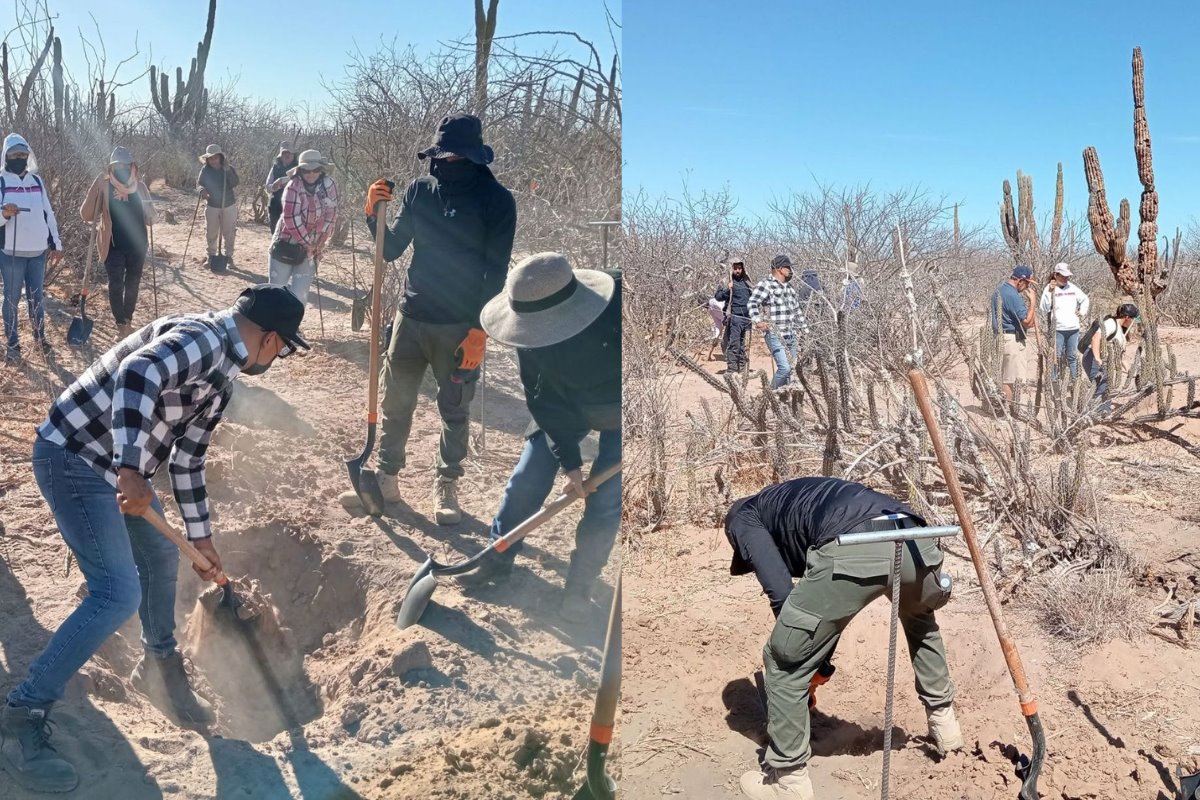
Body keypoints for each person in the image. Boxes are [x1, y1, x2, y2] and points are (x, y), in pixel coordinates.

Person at [0, 285, 309, 794]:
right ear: (271, 339)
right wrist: (128, 470)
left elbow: (187, 462)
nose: (279, 357)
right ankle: (22, 713)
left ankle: (159, 663)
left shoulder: (222, 378)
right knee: (117, 592)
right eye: (285, 349)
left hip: (115, 469)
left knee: (164, 550)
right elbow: (136, 374)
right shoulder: (205, 340)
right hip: (75, 456)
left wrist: (203, 539)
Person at [733, 478, 964, 800]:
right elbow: (823, 605)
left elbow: (782, 595)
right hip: (916, 537)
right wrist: (819, 659)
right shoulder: (794, 500)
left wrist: (805, 662)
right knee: (920, 622)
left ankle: (787, 782)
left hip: (854, 544)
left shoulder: (742, 516)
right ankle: (947, 730)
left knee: (783, 660)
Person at [338, 113, 516, 524]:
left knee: (454, 409)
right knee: (395, 402)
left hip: (460, 324)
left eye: (456, 154)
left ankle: (447, 484)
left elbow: (497, 271)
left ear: (474, 156)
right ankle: (386, 479)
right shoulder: (420, 191)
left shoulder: (497, 200)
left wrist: (480, 330)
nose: (448, 161)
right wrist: (372, 213)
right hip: (411, 316)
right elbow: (390, 249)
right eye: (443, 154)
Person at [465, 253, 621, 622]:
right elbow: (539, 398)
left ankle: (580, 587)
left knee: (606, 503)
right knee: (527, 478)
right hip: (563, 405)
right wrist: (570, 464)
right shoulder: (528, 324)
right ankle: (496, 557)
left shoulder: (616, 307)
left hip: (618, 406)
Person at [80, 146, 158, 339]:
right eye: (118, 165)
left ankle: (128, 321)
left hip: (137, 245)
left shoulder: (140, 187)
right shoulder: (105, 186)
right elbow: (86, 215)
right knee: (116, 285)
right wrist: (95, 188)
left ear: (133, 166)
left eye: (126, 164)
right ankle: (120, 324)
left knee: (133, 283)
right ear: (111, 167)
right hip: (113, 245)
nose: (122, 168)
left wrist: (149, 210)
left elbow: (152, 219)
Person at [0, 133, 63, 362]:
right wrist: (4, 213)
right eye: (15, 154)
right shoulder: (1, 181)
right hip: (11, 253)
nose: (19, 158)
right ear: (6, 156)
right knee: (11, 298)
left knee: (37, 297)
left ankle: (40, 338)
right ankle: (13, 342)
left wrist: (56, 243)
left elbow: (48, 213)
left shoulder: (37, 182)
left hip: (38, 252)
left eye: (23, 154)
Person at [267, 149, 338, 305]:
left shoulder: (329, 185)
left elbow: (331, 213)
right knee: (276, 291)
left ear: (322, 170)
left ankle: (292, 327)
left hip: (313, 247)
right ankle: (273, 328)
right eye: (306, 170)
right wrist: (307, 244)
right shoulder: (293, 186)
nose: (311, 174)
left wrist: (320, 242)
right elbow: (291, 218)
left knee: (300, 294)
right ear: (300, 170)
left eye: (316, 170)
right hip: (286, 244)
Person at [748, 255, 803, 389]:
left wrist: (804, 330)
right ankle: (769, 397)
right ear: (779, 269)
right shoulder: (766, 284)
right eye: (788, 267)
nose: (790, 271)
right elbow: (752, 302)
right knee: (784, 368)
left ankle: (785, 400)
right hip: (774, 334)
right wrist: (758, 320)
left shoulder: (789, 288)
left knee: (793, 370)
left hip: (791, 335)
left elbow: (797, 310)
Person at [988, 265, 1037, 405]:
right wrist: (1033, 302)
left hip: (1000, 337)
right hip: (1011, 339)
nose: (1027, 287)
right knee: (1011, 378)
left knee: (1004, 376)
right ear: (1020, 281)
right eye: (1027, 283)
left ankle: (1003, 407)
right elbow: (1027, 322)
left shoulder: (999, 290)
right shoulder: (1012, 295)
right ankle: (1007, 410)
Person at [1080, 302, 1138, 413]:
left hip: (1105, 362)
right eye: (1132, 319)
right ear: (1126, 317)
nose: (1132, 323)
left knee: (1107, 385)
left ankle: (1104, 411)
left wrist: (1131, 372)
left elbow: (1121, 357)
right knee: (1102, 384)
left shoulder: (1122, 333)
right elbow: (1096, 338)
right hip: (1092, 357)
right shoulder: (1111, 323)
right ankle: (1093, 412)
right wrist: (1097, 358)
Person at [1038, 262, 1090, 382]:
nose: (1066, 279)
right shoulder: (1049, 289)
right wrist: (1050, 292)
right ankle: (1053, 381)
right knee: (1056, 355)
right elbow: (1044, 308)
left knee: (1072, 356)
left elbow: (1084, 299)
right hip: (1058, 329)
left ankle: (1075, 381)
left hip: (1073, 328)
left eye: (1067, 276)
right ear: (1056, 275)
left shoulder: (1072, 287)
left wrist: (1082, 312)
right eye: (1063, 276)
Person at [196, 144, 239, 268]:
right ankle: (211, 256)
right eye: (211, 158)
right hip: (212, 205)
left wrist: (228, 171)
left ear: (220, 157)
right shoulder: (205, 170)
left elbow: (235, 183)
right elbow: (199, 183)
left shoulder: (228, 168)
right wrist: (202, 190)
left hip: (228, 204)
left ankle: (228, 257)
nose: (213, 160)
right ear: (207, 159)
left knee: (229, 232)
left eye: (216, 157)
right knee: (211, 232)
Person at [715, 259, 752, 374]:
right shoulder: (727, 281)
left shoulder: (747, 282)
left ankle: (741, 368)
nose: (737, 271)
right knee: (734, 343)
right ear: (731, 269)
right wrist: (728, 289)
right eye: (735, 268)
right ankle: (732, 368)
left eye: (739, 268)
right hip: (735, 317)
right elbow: (718, 296)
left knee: (743, 345)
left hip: (747, 318)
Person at [263, 141, 295, 233]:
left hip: (292, 207)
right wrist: (275, 186)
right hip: (275, 206)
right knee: (275, 234)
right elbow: (268, 186)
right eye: (285, 153)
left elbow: (300, 180)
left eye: (289, 153)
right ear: (281, 155)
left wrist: (283, 180)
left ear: (293, 155)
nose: (287, 155)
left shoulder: (298, 168)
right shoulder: (275, 167)